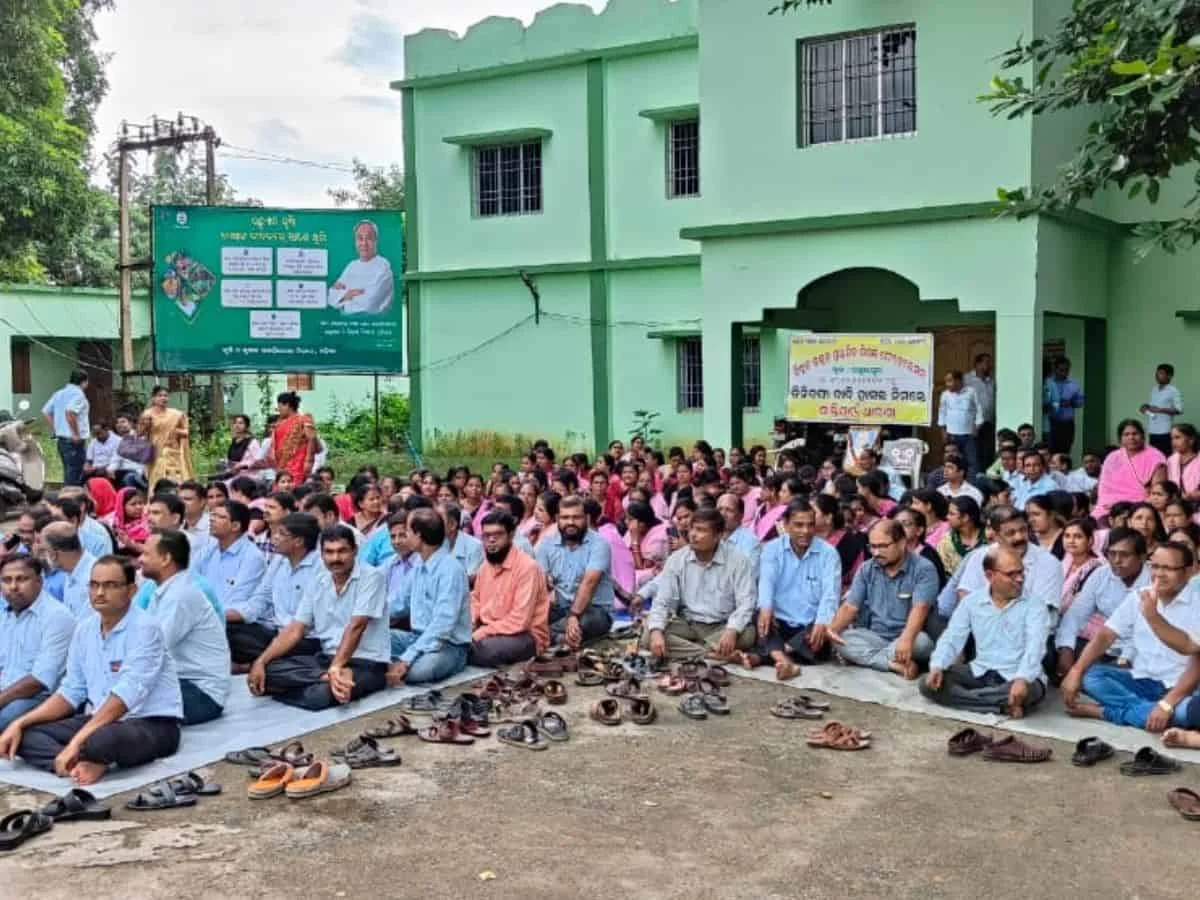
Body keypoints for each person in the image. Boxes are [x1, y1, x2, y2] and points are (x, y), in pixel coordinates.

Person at [0, 555, 182, 786]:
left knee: (102, 740)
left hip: (150, 722)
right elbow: (71, 691)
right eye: (94, 585)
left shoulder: (146, 628)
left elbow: (126, 697)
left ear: (131, 590)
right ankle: (80, 764)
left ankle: (85, 757)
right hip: (98, 719)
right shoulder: (85, 629)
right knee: (24, 735)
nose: (100, 593)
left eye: (110, 585)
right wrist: (20, 723)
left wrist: (76, 742)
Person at [1062, 542, 1200, 730]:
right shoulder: (1139, 596)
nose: (1159, 574)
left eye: (1168, 568)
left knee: (1189, 712)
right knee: (1092, 677)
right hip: (1141, 680)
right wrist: (1076, 671)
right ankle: (1149, 713)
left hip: (1181, 689)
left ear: (1189, 571)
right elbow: (1106, 635)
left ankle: (1106, 712)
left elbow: (1192, 654)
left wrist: (1167, 704)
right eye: (1155, 566)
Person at [250, 525, 390, 710]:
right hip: (326, 660)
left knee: (318, 696)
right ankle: (324, 678)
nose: (335, 558)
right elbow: (295, 629)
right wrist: (261, 661)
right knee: (266, 670)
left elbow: (357, 626)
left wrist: (336, 667)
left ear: (355, 551)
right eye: (329, 552)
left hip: (366, 663)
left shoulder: (371, 577)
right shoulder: (318, 580)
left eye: (342, 551)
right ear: (321, 554)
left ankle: (318, 681)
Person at [921, 547, 1049, 717]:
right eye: (1011, 574)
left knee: (1024, 692)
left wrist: (1023, 678)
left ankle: (972, 700)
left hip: (1018, 676)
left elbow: (1035, 647)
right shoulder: (971, 602)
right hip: (980, 671)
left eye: (1021, 572)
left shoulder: (1035, 605)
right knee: (927, 684)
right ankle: (999, 707)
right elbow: (952, 638)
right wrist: (938, 665)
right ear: (990, 575)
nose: (1019, 579)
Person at [740, 499, 842, 680]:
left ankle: (765, 656)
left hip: (808, 626)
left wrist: (822, 622)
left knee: (820, 637)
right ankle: (786, 661)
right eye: (799, 525)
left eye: (810, 525)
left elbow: (830, 595)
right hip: (779, 622)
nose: (805, 531)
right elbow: (766, 583)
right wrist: (766, 608)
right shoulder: (772, 549)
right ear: (786, 525)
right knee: (760, 618)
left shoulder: (829, 554)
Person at [828, 520, 938, 679]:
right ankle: (892, 664)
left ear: (902, 543)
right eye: (872, 546)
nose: (876, 552)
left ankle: (868, 658)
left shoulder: (924, 568)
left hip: (910, 636)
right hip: (875, 637)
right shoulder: (867, 568)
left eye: (882, 546)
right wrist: (832, 631)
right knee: (841, 639)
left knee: (921, 642)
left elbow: (920, 608)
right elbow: (850, 607)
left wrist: (906, 639)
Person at [139, 530, 229, 725]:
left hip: (201, 693)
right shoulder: (163, 589)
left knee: (126, 702)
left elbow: (153, 647)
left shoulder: (180, 595)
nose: (140, 559)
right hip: (179, 682)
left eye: (146, 554)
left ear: (165, 559)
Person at [643, 508, 756, 662]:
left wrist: (732, 630)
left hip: (721, 626)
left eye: (701, 530)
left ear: (718, 536)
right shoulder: (677, 559)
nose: (693, 535)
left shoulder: (738, 561)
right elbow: (663, 601)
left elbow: (746, 602)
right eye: (692, 529)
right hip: (688, 624)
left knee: (748, 634)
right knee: (649, 635)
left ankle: (693, 650)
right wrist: (656, 632)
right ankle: (710, 653)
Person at [387, 509, 472, 685]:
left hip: (448, 646)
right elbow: (398, 603)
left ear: (418, 535)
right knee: (370, 640)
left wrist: (407, 658)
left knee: (421, 671)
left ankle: (393, 667)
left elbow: (442, 625)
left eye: (407, 531)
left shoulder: (451, 569)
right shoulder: (419, 564)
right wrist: (367, 619)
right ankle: (391, 666)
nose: (405, 537)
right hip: (415, 639)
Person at [230, 512, 324, 666]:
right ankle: (267, 662)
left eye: (281, 534)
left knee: (291, 652)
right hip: (275, 631)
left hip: (304, 638)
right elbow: (261, 598)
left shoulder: (320, 568)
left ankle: (260, 664)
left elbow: (305, 624)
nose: (274, 537)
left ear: (298, 541)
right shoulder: (280, 560)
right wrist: (227, 615)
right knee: (227, 631)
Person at [1054, 527, 1148, 677]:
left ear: (1142, 557)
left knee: (1097, 677)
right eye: (1112, 553)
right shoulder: (1101, 574)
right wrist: (1066, 650)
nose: (1116, 560)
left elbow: (1146, 635)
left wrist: (1125, 659)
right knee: (1049, 652)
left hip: (1139, 652)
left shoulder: (1154, 582)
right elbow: (1075, 615)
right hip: (1102, 646)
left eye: (1124, 555)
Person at [0, 556, 75, 731]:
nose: (13, 586)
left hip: (40, 697)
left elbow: (40, 680)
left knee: (5, 718)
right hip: (6, 692)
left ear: (39, 582)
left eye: (21, 579)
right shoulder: (5, 615)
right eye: (6, 580)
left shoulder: (57, 617)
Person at [468, 510, 551, 667]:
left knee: (483, 651)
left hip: (525, 635)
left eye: (498, 535)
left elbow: (520, 620)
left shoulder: (527, 568)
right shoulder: (485, 567)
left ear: (511, 536)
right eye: (486, 536)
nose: (491, 540)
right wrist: (471, 621)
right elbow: (476, 599)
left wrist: (482, 632)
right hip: (490, 630)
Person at [536, 495, 614, 648]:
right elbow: (540, 583)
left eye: (576, 517)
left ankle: (547, 636)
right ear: (557, 519)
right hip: (559, 609)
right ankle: (557, 637)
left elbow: (589, 583)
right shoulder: (546, 545)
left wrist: (574, 616)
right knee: (531, 618)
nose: (570, 522)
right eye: (565, 517)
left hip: (593, 611)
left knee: (586, 622)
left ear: (586, 518)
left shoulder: (599, 544)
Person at [196, 501, 267, 630]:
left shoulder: (252, 557)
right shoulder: (207, 551)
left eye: (220, 517)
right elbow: (190, 582)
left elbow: (236, 601)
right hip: (204, 619)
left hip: (232, 624)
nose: (212, 519)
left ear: (235, 526)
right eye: (213, 515)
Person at [1095, 419, 1167, 520]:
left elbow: (1157, 492)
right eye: (1126, 434)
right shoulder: (1112, 457)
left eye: (1135, 434)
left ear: (1142, 436)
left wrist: (1139, 505)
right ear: (1120, 438)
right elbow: (1104, 488)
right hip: (1109, 507)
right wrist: (1110, 504)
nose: (1131, 437)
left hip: (1140, 507)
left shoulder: (1155, 456)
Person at [327, 219, 394, 315]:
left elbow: (370, 305)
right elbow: (330, 297)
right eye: (360, 238)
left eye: (369, 238)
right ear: (355, 241)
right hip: (345, 322)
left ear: (376, 240)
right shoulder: (352, 266)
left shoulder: (383, 267)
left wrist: (343, 298)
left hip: (374, 322)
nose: (364, 243)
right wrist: (348, 294)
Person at [42, 369, 90, 486]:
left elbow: (46, 412)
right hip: (73, 441)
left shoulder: (59, 393)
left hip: (62, 440)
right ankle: (71, 496)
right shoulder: (79, 394)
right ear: (84, 382)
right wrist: (75, 434)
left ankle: (67, 494)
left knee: (69, 472)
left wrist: (56, 429)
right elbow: (70, 412)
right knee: (75, 475)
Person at [39, 523, 97, 619]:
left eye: (45, 550)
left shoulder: (94, 577)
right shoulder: (70, 573)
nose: (43, 556)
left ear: (53, 554)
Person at [142, 385, 193, 486]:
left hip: (173, 454)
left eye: (165, 395)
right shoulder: (147, 414)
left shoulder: (176, 414)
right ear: (153, 398)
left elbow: (186, 432)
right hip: (156, 454)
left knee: (176, 483)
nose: (163, 398)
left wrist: (175, 431)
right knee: (157, 484)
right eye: (160, 395)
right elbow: (142, 434)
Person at [267, 392, 317, 489]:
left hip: (297, 464)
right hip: (281, 466)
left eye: (280, 406)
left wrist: (309, 461)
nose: (278, 409)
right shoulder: (279, 423)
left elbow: (312, 439)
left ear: (287, 405)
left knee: (294, 489)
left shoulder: (304, 419)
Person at [937, 370, 983, 475]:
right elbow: (942, 413)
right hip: (951, 435)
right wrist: (943, 431)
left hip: (968, 435)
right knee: (951, 460)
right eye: (946, 381)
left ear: (958, 381)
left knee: (972, 461)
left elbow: (979, 409)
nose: (947, 384)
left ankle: (971, 481)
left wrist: (977, 426)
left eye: (949, 381)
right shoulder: (945, 395)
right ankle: (950, 479)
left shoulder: (971, 392)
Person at [1043, 356, 1085, 454]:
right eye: (1061, 370)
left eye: (1066, 370)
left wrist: (1071, 402)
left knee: (1065, 450)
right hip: (1052, 422)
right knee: (1051, 449)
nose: (1064, 373)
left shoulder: (1073, 384)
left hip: (1067, 423)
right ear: (1055, 369)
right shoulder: (1048, 383)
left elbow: (1080, 401)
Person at [936, 496, 985, 576]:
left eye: (952, 514)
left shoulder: (989, 537)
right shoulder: (946, 542)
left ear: (965, 517)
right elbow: (943, 572)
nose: (947, 517)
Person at [963, 353, 996, 468]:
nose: (990, 365)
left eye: (990, 362)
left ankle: (984, 475)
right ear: (977, 364)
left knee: (987, 453)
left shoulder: (991, 380)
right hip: (973, 423)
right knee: (973, 454)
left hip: (989, 422)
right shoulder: (967, 380)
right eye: (986, 362)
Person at [1142, 363, 1183, 457]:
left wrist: (1160, 410)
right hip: (1152, 430)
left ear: (1169, 376)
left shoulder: (1173, 391)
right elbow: (1153, 408)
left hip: (1165, 431)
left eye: (1160, 373)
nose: (1157, 376)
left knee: (1164, 457)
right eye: (1156, 373)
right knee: (1154, 457)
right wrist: (1146, 408)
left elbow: (1179, 410)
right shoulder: (1154, 390)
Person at [439, 501, 483, 587]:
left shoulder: (474, 546)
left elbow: (472, 578)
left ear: (452, 525)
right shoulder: (435, 543)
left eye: (439, 519)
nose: (433, 523)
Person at [1164, 423, 1200, 511]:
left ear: (1191, 440)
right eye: (1172, 438)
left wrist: (1192, 495)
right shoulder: (1171, 460)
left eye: (1177, 437)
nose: (1174, 442)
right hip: (1176, 506)